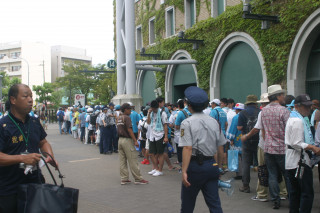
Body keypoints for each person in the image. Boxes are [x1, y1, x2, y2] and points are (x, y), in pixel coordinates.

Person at [0, 84, 57, 213]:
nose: (30, 99)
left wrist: (49, 156)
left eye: (31, 96)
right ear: (13, 100)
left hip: (35, 185)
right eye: (25, 96)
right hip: (9, 190)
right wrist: (22, 158)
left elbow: (43, 142)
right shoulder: (3, 125)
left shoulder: (35, 122)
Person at [179, 86, 225, 213]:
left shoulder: (186, 123)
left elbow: (188, 148)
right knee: (214, 204)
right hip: (211, 165)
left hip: (195, 166)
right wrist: (219, 167)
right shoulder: (214, 122)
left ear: (188, 105)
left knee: (188, 204)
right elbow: (220, 148)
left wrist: (184, 171)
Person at [285, 94, 320, 213]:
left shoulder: (294, 118)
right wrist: (311, 147)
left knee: (295, 193)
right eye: (305, 106)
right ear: (296, 106)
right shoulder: (297, 121)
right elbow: (296, 143)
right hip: (299, 161)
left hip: (293, 161)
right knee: (307, 193)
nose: (308, 109)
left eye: (309, 106)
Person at [260, 85, 290, 209]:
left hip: (268, 147)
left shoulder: (264, 111)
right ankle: (292, 198)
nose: (284, 97)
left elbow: (263, 130)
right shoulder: (284, 111)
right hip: (282, 148)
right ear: (278, 96)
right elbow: (289, 130)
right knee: (287, 174)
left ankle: (275, 199)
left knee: (272, 174)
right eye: (282, 95)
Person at [117, 103, 149, 185]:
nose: (130, 110)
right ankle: (138, 178)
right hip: (127, 140)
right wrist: (135, 140)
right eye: (129, 109)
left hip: (120, 140)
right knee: (133, 160)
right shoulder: (127, 118)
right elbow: (129, 130)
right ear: (125, 110)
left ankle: (124, 178)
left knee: (122, 161)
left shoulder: (119, 117)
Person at [237, 95, 260, 193]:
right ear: (255, 103)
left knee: (246, 163)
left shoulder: (242, 113)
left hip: (246, 140)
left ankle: (245, 186)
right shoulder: (260, 112)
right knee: (260, 163)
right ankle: (263, 185)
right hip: (259, 140)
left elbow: (239, 127)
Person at [147, 100, 169, 177]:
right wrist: (149, 113)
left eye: (154, 109)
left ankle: (160, 170)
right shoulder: (151, 113)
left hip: (160, 134)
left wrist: (166, 137)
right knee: (151, 153)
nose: (153, 110)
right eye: (152, 108)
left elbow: (165, 125)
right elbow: (148, 122)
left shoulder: (162, 113)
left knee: (160, 153)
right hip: (152, 135)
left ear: (156, 107)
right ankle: (155, 168)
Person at [226, 103, 244, 179]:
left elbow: (233, 128)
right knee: (245, 157)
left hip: (237, 139)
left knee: (238, 156)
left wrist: (231, 139)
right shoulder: (245, 116)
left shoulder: (236, 117)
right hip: (246, 138)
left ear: (237, 110)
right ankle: (245, 172)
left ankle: (240, 174)